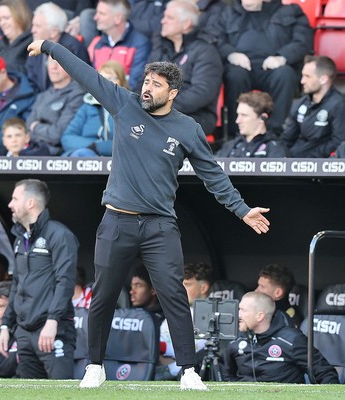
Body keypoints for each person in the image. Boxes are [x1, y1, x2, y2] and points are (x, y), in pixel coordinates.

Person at [27, 38, 270, 391]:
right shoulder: (124, 104)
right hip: (117, 221)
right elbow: (85, 73)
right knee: (104, 295)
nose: (146, 88)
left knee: (173, 294)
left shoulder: (187, 128)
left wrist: (242, 209)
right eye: (145, 81)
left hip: (159, 226)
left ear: (172, 93)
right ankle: (95, 366)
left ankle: (188, 370)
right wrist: (50, 46)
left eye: (155, 85)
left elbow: (213, 176)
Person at [0, 179, 79, 379]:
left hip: (52, 330)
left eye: (15, 199)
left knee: (61, 394)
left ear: (30, 203)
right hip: (25, 333)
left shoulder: (59, 235)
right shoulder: (19, 239)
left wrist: (52, 322)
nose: (10, 204)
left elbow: (65, 282)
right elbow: (16, 284)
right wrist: (6, 325)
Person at [209, 0, 313, 137]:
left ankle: (275, 134)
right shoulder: (227, 13)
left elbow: (303, 41)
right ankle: (237, 134)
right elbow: (213, 38)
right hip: (241, 67)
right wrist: (230, 54)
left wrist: (282, 57)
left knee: (285, 74)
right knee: (234, 76)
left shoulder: (291, 11)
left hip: (274, 66)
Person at [222, 291, 339, 383]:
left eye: (242, 310)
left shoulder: (291, 339)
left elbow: (325, 373)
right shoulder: (236, 340)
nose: (238, 314)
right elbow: (227, 376)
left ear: (259, 316)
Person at [147, 0, 222, 135]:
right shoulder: (161, 49)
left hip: (196, 116)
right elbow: (144, 81)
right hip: (159, 111)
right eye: (164, 16)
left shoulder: (206, 51)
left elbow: (202, 92)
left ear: (186, 24)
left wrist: (163, 106)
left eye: (169, 18)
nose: (163, 21)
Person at [156, 262, 214, 380]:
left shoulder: (212, 315)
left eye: (187, 284)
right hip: (163, 368)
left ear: (203, 288)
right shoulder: (174, 312)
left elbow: (201, 350)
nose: (181, 288)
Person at [281, 55, 345, 158]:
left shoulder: (339, 105)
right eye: (302, 76)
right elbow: (287, 139)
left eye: (307, 76)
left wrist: (308, 157)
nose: (302, 81)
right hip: (296, 160)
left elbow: (339, 142)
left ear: (323, 79)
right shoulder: (300, 104)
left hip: (323, 165)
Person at [61, 60, 128, 157]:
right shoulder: (87, 106)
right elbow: (67, 138)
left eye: (111, 78)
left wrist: (99, 147)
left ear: (121, 81)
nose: (106, 82)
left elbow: (131, 144)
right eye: (102, 78)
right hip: (85, 155)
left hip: (117, 160)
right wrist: (92, 146)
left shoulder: (129, 108)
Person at [26, 56, 85, 155]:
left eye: (59, 62)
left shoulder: (77, 95)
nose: (54, 67)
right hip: (35, 151)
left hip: (57, 156)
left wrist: (36, 128)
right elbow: (28, 127)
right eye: (50, 62)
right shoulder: (42, 96)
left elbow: (58, 135)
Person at [26, 1, 90, 92]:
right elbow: (32, 83)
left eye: (38, 26)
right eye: (33, 25)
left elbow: (81, 84)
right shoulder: (36, 47)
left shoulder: (73, 49)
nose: (33, 30)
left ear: (54, 32)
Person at [87, 0, 152, 90]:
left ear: (117, 18)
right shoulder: (98, 44)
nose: (95, 17)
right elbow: (93, 80)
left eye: (102, 14)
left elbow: (135, 84)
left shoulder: (140, 44)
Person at [216, 91, 287, 158]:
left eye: (244, 115)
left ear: (263, 118)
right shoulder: (230, 146)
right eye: (238, 115)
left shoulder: (275, 149)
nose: (237, 121)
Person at [0, 0, 32, 74]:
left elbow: (32, 73)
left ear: (20, 16)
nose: (2, 23)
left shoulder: (32, 44)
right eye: (0, 20)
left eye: (6, 18)